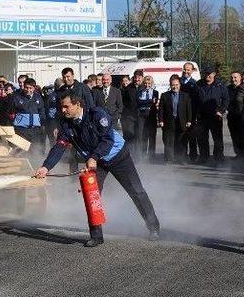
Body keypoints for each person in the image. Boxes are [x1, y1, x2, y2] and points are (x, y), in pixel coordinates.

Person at [34, 91, 161, 247]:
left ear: (77, 104)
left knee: (136, 191)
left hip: (117, 157)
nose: (63, 110)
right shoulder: (66, 124)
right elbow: (59, 147)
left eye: (66, 107)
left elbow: (108, 140)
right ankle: (96, 235)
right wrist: (46, 167)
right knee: (92, 195)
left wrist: (94, 157)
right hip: (95, 162)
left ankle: (154, 227)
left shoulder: (97, 114)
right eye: (62, 107)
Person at [57, 68, 95, 172]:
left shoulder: (83, 88)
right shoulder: (61, 90)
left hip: (83, 121)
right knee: (72, 150)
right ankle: (73, 173)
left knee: (87, 148)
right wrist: (58, 126)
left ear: (73, 76)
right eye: (64, 77)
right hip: (68, 124)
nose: (66, 79)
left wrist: (90, 121)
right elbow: (59, 109)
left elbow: (90, 105)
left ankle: (92, 171)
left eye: (68, 76)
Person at [196, 67, 228, 164]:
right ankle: (203, 157)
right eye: (206, 73)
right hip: (202, 117)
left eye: (210, 74)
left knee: (217, 138)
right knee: (202, 138)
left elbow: (226, 99)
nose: (208, 75)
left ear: (214, 74)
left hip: (215, 116)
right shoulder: (198, 84)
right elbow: (194, 100)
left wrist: (221, 110)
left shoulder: (220, 85)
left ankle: (219, 157)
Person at [158, 76, 192, 163]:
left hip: (182, 121)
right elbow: (161, 109)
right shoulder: (165, 95)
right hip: (169, 121)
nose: (175, 87)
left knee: (182, 141)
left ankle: (181, 159)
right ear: (170, 85)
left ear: (180, 85)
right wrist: (161, 120)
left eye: (176, 85)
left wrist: (189, 121)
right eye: (173, 85)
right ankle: (169, 159)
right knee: (169, 141)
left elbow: (189, 109)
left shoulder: (186, 96)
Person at [10, 78, 46, 146]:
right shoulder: (17, 97)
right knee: (21, 149)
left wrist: (42, 124)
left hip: (35, 129)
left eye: (30, 88)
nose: (28, 90)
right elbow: (11, 112)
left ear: (34, 88)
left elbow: (42, 112)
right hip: (21, 129)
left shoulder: (38, 97)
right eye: (26, 88)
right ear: (24, 87)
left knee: (34, 149)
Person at [136, 75, 159, 161]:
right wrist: (149, 101)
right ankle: (142, 154)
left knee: (152, 136)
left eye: (149, 83)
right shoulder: (139, 91)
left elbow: (154, 102)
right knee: (143, 135)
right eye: (145, 83)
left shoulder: (155, 92)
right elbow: (139, 102)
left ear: (151, 83)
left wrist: (146, 102)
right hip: (142, 116)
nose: (147, 85)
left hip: (151, 115)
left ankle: (152, 156)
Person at [181, 62, 200, 162]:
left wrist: (196, 115)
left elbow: (197, 101)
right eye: (185, 69)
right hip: (180, 114)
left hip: (191, 114)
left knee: (192, 135)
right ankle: (183, 156)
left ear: (192, 71)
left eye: (188, 69)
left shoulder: (195, 84)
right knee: (182, 135)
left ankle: (193, 156)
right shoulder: (178, 82)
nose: (186, 71)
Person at [121, 71, 144, 154]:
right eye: (135, 77)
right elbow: (124, 102)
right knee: (129, 135)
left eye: (139, 77)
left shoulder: (145, 87)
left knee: (139, 136)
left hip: (141, 117)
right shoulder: (128, 88)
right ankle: (129, 154)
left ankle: (139, 155)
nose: (137, 79)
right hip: (130, 116)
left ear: (142, 77)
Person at [227, 71, 244, 157]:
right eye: (232, 77)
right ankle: (238, 154)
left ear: (240, 78)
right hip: (231, 116)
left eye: (235, 77)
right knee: (234, 136)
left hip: (242, 117)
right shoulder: (228, 88)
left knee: (242, 136)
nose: (233, 79)